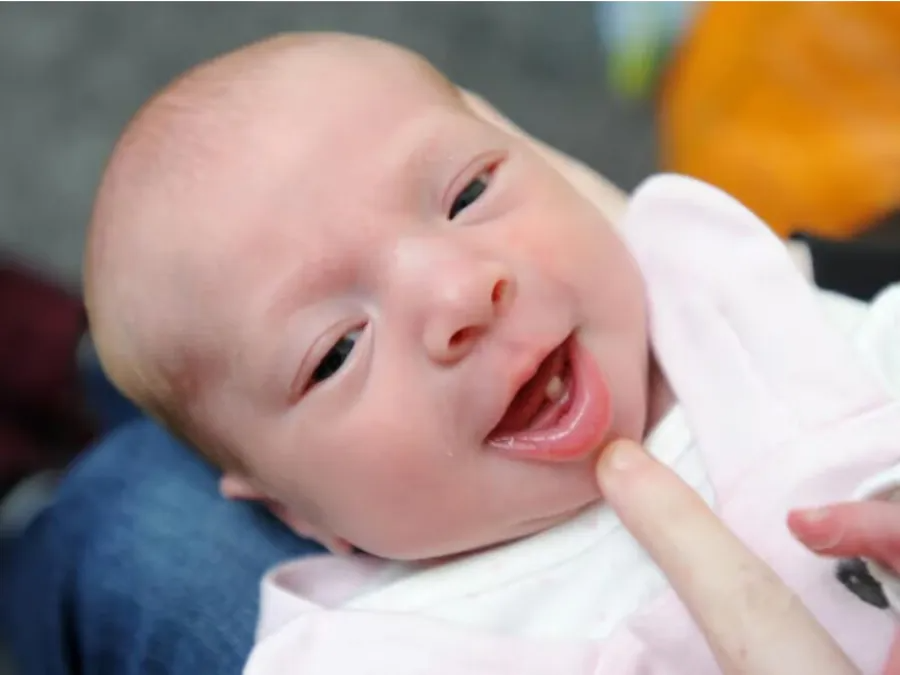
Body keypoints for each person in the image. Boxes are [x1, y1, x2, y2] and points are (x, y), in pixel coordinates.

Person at [5, 30, 900, 675]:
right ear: (298, 513)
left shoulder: (732, 295)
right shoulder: (377, 650)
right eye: (337, 350)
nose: (461, 295)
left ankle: (63, 410)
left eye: (469, 194)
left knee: (121, 515)